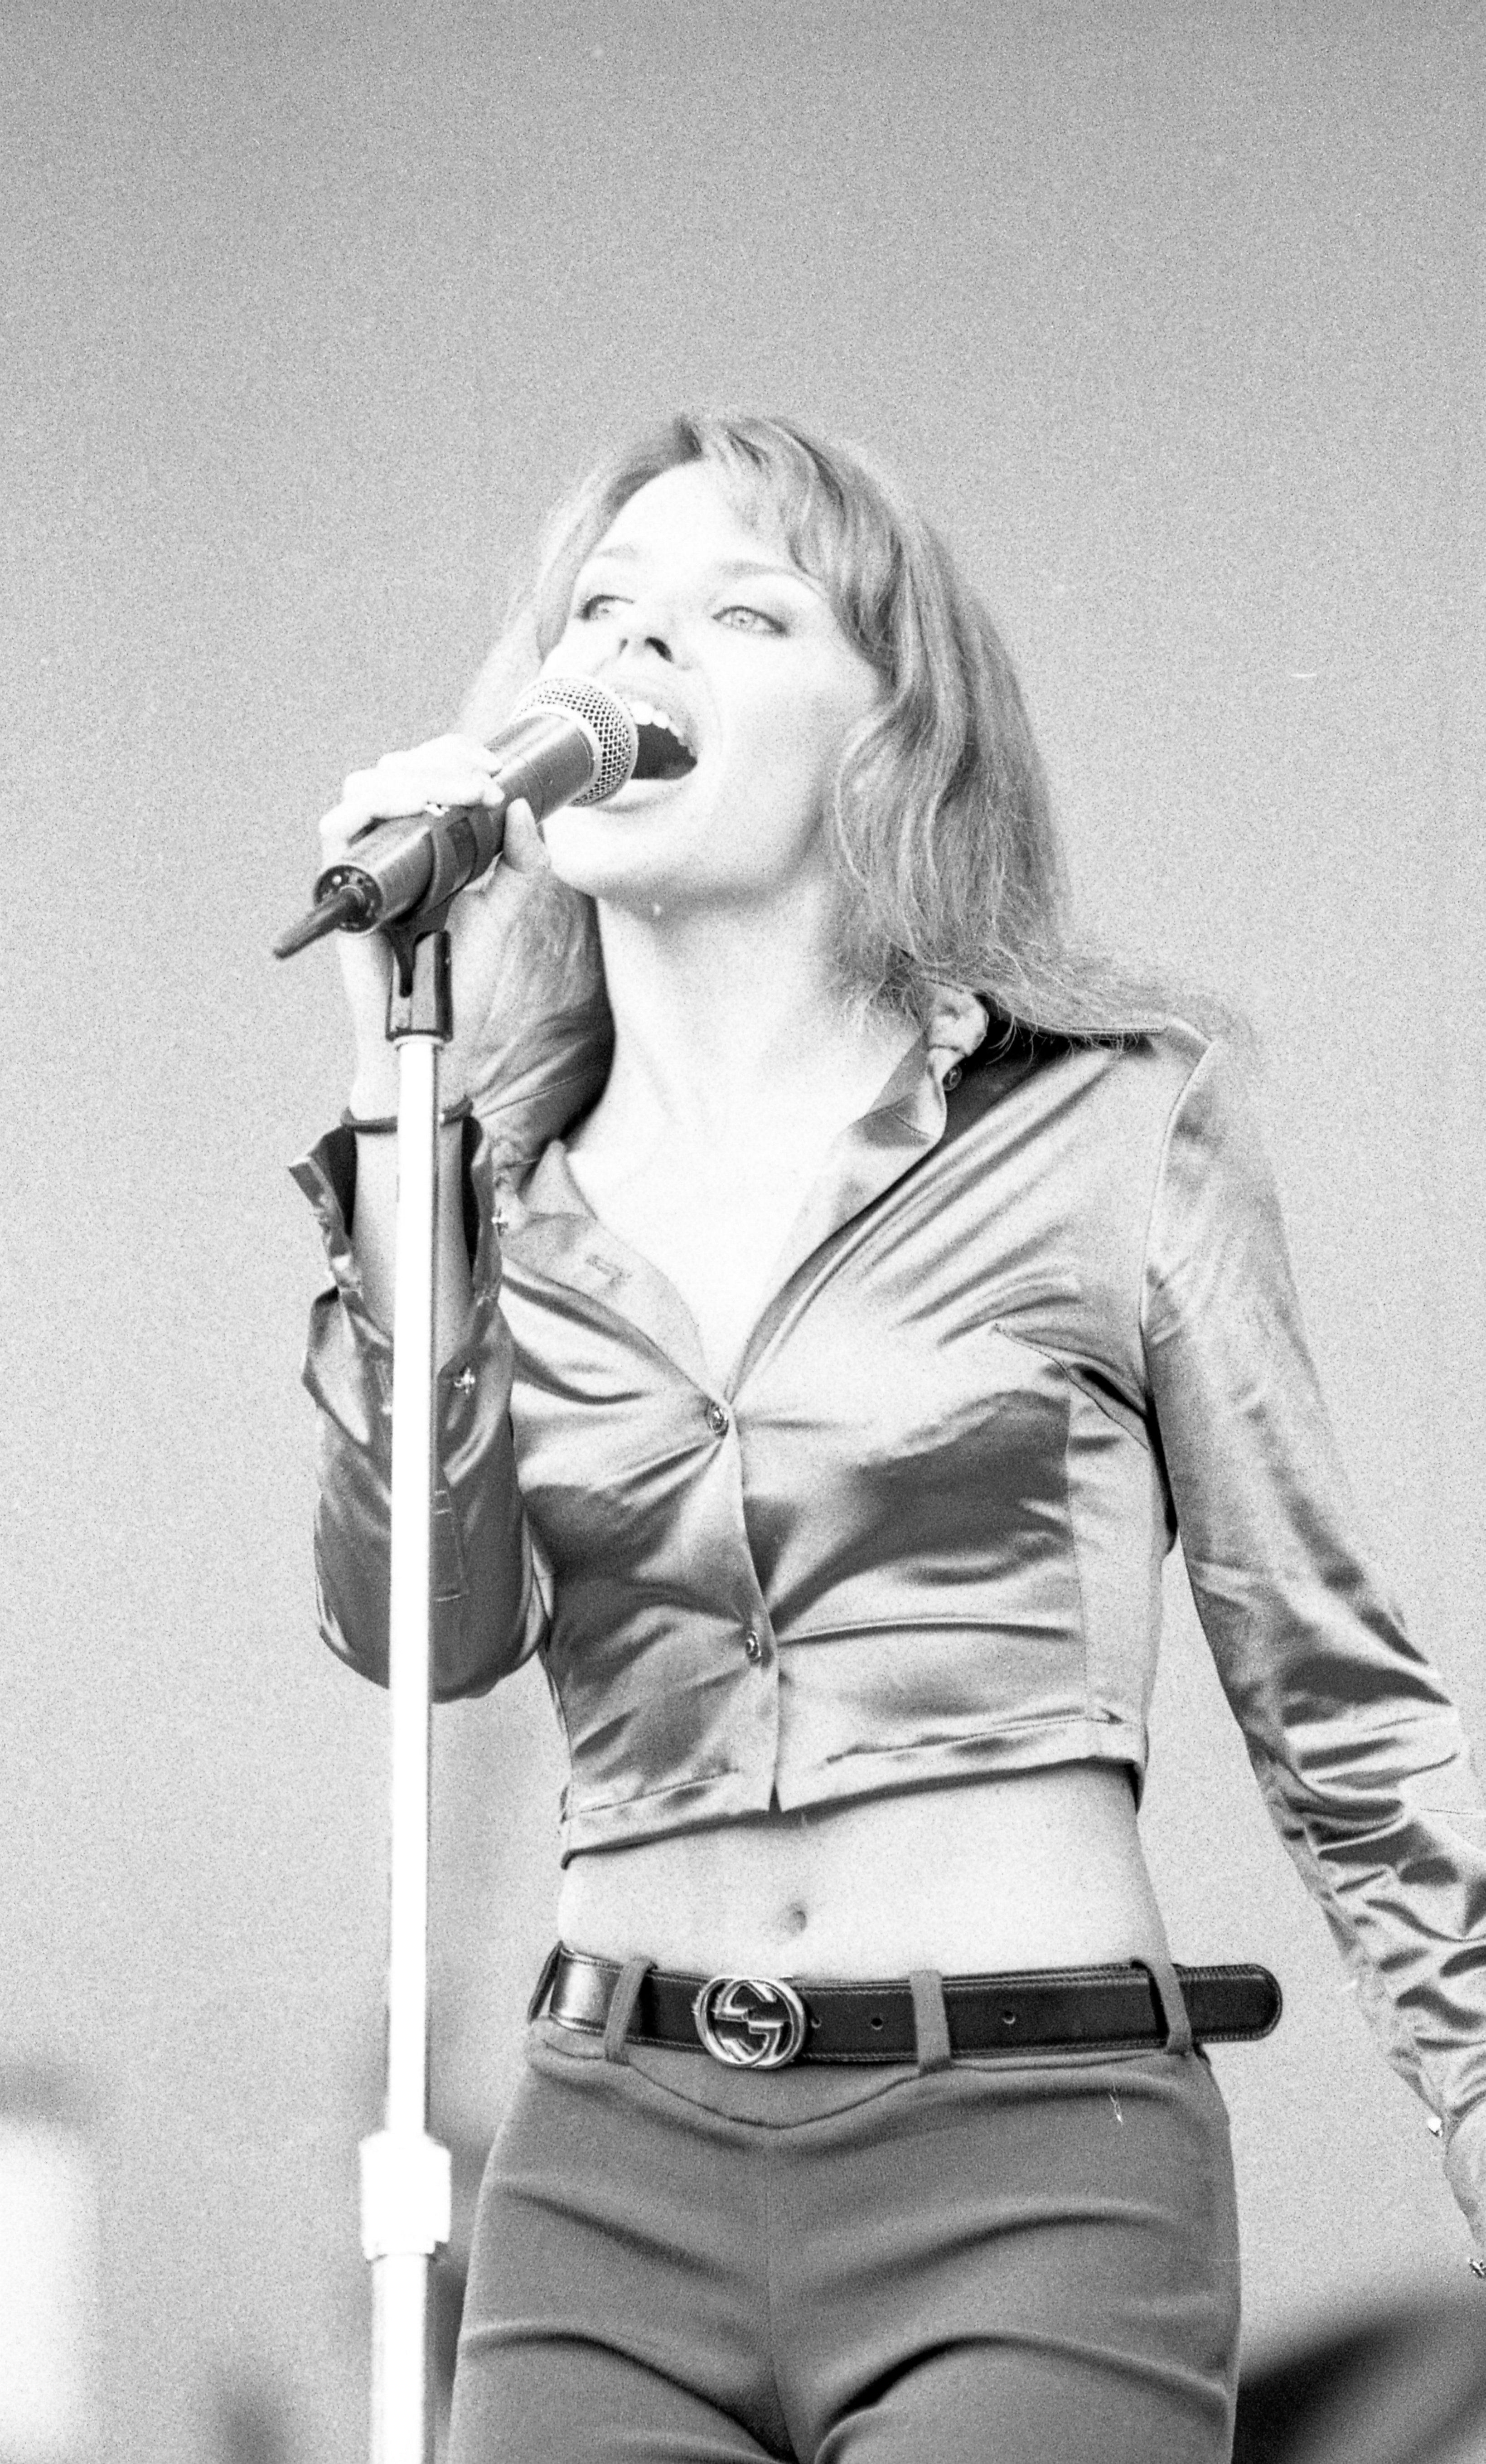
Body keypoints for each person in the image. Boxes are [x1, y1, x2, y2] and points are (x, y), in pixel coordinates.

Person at [293, 411, 1486, 2464]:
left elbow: (1338, 1705)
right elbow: (426, 1631)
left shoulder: (1114, 1128)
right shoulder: (490, 1193)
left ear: (893, 739)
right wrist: (404, 1111)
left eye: (741, 614)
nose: (636, 649)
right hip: (608, 2170)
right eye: (602, 608)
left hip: (1030, 2162)